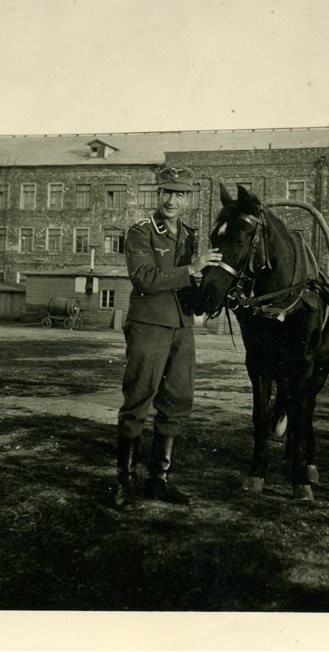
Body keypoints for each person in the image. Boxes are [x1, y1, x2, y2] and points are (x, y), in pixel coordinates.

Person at [114, 166, 222, 509]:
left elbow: (189, 283)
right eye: (166, 192)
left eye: (179, 194)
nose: (171, 200)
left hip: (181, 327)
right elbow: (144, 277)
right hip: (148, 325)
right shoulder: (141, 231)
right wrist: (191, 269)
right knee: (138, 399)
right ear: (158, 193)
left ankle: (158, 480)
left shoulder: (190, 235)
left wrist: (209, 286)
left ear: (188, 198)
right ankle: (124, 482)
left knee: (177, 399)